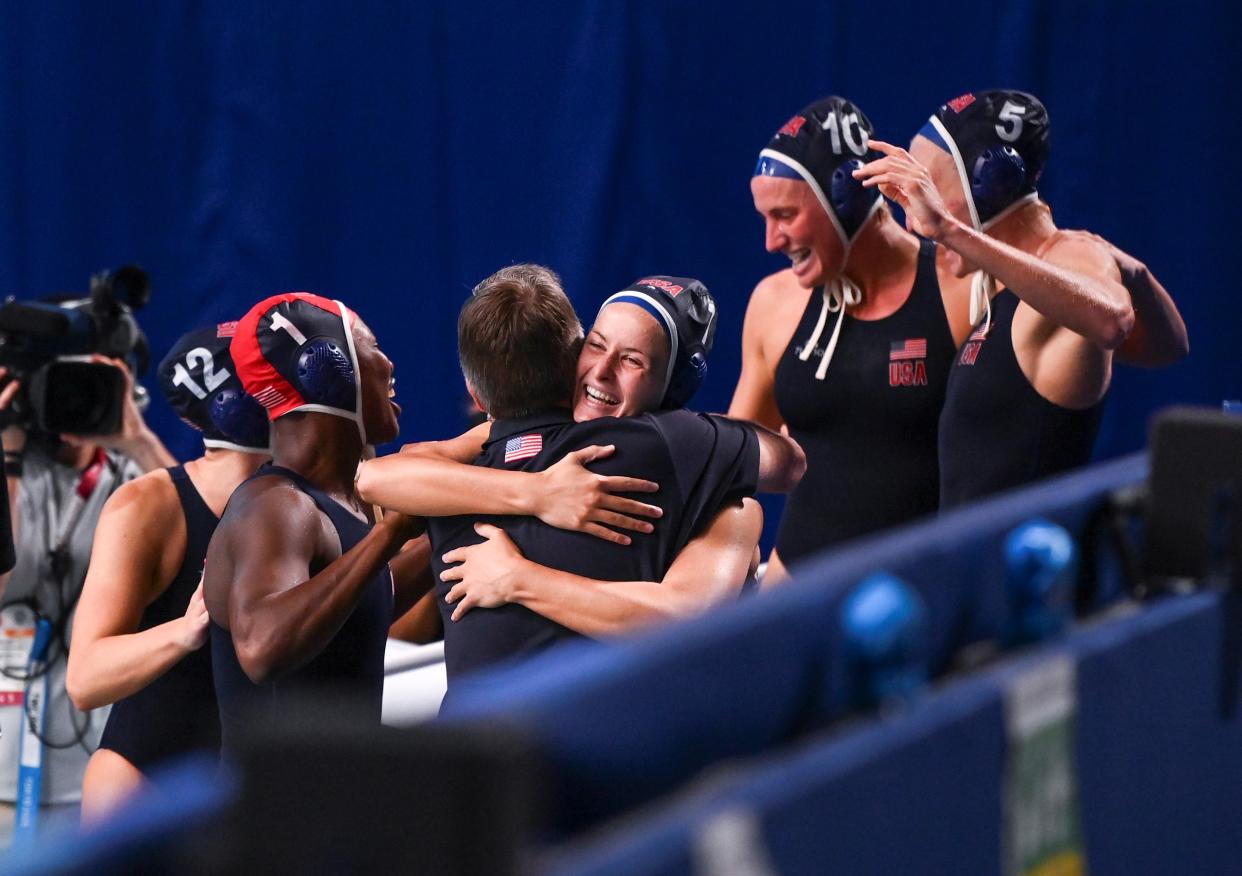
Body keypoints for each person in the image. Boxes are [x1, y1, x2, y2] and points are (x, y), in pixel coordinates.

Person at [358, 267, 802, 685]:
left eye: (631, 360)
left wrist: (520, 578)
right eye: (596, 345)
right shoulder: (688, 446)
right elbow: (787, 462)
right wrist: (537, 493)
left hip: (489, 746)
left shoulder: (449, 481)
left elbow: (376, 477)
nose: (602, 371)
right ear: (571, 356)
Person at [852, 89, 1188, 506]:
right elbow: (1168, 346)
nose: (919, 221)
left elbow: (1113, 320)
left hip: (1026, 567)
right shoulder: (1004, 284)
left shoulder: (1070, 253)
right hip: (975, 565)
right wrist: (1136, 274)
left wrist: (951, 230)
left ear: (992, 184)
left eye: (930, 191)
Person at [729, 96, 968, 585]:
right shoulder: (774, 303)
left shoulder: (958, 288)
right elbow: (733, 463)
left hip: (924, 592)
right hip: (797, 588)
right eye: (764, 218)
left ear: (847, 196)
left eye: (785, 215)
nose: (771, 241)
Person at [202, 293, 428, 757]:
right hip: (275, 819)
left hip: (328, 805)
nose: (388, 365)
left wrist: (456, 524)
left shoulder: (337, 503)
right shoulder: (278, 506)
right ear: (326, 369)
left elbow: (366, 597)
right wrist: (391, 534)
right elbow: (261, 647)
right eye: (372, 347)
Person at [66, 324, 271, 823]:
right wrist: (186, 630)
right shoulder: (145, 505)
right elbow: (86, 676)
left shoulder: (297, 495)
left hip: (253, 790)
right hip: (148, 783)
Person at [0, 356, 175, 838]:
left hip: (98, 759)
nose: (71, 400)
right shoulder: (13, 470)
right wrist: (8, 456)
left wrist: (137, 440)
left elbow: (208, 542)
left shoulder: (141, 483)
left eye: (86, 385)